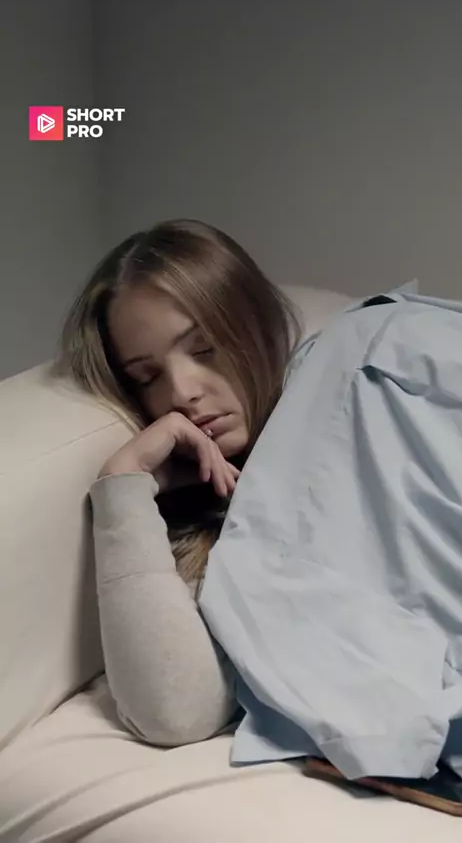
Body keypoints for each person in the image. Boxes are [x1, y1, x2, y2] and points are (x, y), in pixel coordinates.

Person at [56, 218, 302, 747]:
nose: (182, 392)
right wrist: (123, 481)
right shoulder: (196, 517)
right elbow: (174, 710)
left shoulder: (343, 404)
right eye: (147, 377)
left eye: (204, 347)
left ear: (259, 325)